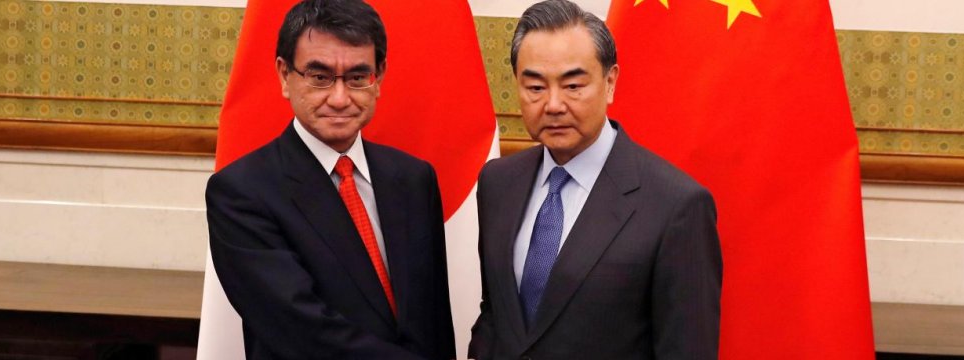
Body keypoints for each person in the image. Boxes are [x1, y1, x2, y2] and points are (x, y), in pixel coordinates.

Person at [468, 0, 722, 358]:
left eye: (573, 86)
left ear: (610, 82)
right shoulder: (498, 182)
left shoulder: (677, 206)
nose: (553, 104)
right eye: (536, 88)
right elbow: (496, 312)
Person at [205, 1, 454, 358]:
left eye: (357, 77)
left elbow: (432, 320)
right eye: (320, 77)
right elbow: (301, 331)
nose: (340, 98)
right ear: (284, 75)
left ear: (379, 76)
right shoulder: (242, 192)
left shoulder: (414, 179)